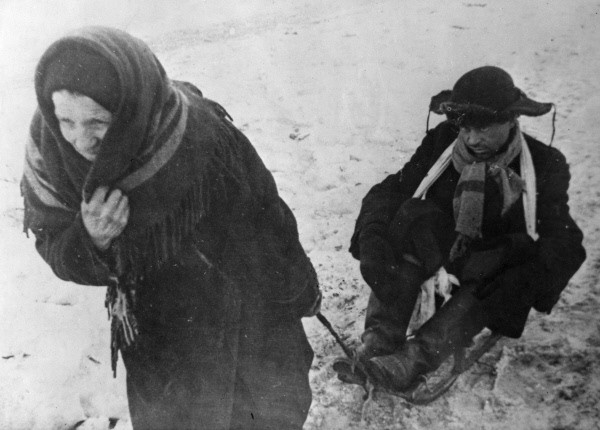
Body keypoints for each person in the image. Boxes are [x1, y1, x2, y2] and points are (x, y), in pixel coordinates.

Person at [21, 26, 321, 430]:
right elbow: (56, 248)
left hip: (239, 300)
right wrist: (92, 240)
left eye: (97, 121)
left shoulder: (198, 134)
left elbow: (265, 215)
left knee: (264, 409)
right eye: (66, 120)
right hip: (156, 330)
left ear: (128, 106)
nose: (80, 139)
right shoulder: (49, 154)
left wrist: (299, 288)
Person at [341, 66, 585, 391]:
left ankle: (411, 362)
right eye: (465, 127)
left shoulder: (544, 163)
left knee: (500, 279)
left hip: (491, 263)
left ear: (511, 120)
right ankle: (378, 342)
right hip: (440, 244)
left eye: (483, 128)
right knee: (407, 216)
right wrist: (373, 231)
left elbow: (564, 239)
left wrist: (524, 274)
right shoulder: (443, 141)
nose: (471, 139)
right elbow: (396, 189)